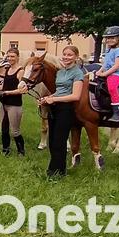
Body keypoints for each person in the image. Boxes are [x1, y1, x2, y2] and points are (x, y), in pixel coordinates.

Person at [38, 45, 84, 178]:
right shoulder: (60, 72)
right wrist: (47, 98)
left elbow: (75, 96)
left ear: (76, 57)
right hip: (55, 107)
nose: (66, 57)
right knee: (52, 141)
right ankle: (53, 169)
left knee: (60, 141)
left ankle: (59, 171)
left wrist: (55, 99)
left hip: (66, 109)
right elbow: (59, 91)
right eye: (65, 54)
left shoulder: (77, 73)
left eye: (70, 55)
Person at [0, 48, 27, 156]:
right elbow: (3, 86)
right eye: (8, 56)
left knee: (15, 131)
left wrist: (6, 93)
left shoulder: (21, 71)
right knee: (3, 129)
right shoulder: (7, 69)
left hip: (14, 105)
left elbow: (22, 90)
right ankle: (6, 149)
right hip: (3, 104)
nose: (10, 58)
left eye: (12, 56)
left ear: (18, 57)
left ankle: (21, 151)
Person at [95, 25, 119, 122]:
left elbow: (116, 66)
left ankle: (117, 113)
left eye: (112, 38)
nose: (109, 40)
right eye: (108, 38)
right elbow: (106, 63)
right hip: (108, 72)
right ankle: (103, 107)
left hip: (116, 74)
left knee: (112, 88)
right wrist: (100, 71)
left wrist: (105, 74)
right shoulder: (108, 49)